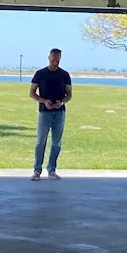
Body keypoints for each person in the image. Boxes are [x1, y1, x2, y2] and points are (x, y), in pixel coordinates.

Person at [30, 48, 72, 181]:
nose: (55, 63)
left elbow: (69, 94)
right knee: (41, 142)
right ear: (49, 58)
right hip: (45, 112)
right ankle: (37, 170)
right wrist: (44, 101)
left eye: (58, 61)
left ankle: (52, 169)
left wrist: (62, 102)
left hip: (59, 112)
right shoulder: (40, 74)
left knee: (56, 143)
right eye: (53, 60)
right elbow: (32, 93)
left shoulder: (64, 75)